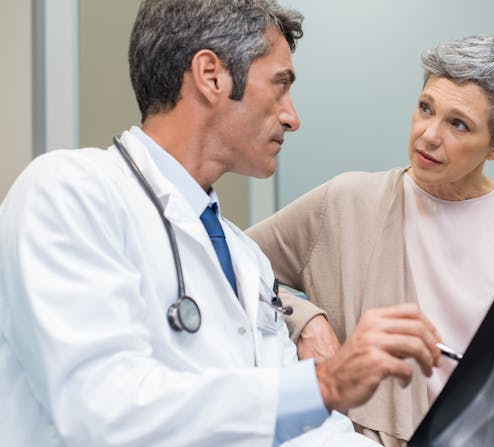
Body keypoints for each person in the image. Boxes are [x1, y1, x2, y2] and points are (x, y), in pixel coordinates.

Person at [0, 1, 443, 446]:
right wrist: (322, 385)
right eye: (280, 86)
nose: (292, 117)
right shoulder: (70, 192)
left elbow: (302, 432)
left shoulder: (244, 257)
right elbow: (101, 409)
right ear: (211, 75)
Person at [247, 36, 494, 446]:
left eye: (458, 124)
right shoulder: (346, 200)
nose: (428, 135)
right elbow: (231, 264)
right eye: (426, 108)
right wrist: (304, 318)